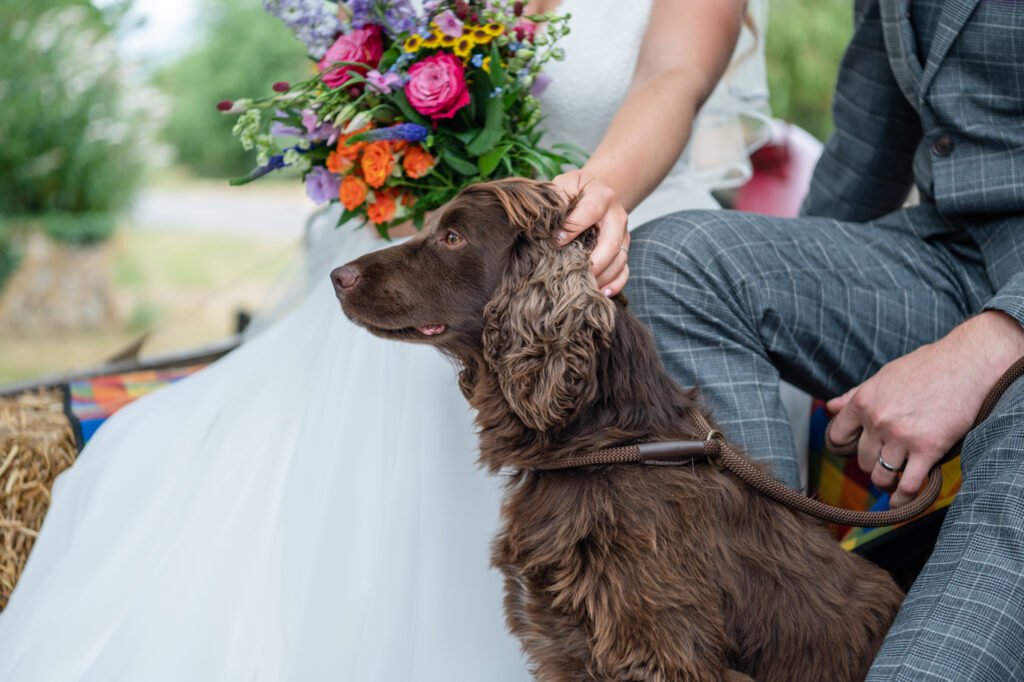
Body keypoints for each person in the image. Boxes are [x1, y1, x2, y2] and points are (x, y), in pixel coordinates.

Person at [0, 0, 773, 679]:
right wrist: (394, 177)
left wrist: (565, 214)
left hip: (606, 230)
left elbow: (674, 76)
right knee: (145, 459)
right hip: (426, 240)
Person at [560, 0, 1022, 678]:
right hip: (948, 255)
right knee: (672, 264)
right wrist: (801, 321)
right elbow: (869, 145)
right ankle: (795, 644)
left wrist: (995, 341)